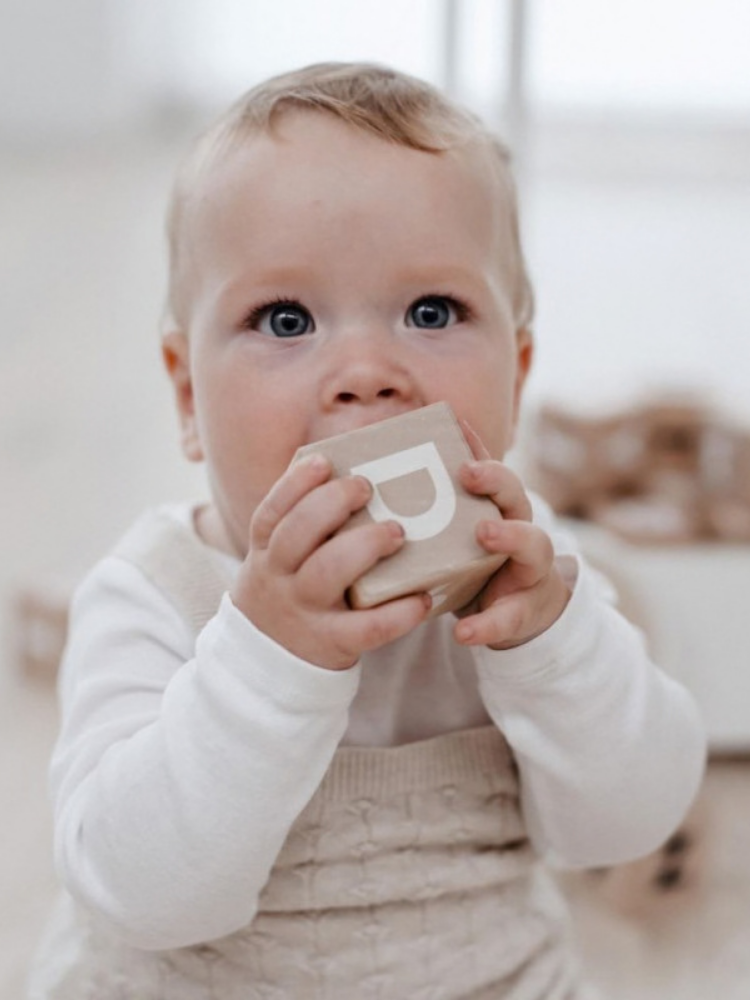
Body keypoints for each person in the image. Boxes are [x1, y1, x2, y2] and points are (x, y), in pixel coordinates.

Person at [29, 62, 706, 999]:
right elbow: (139, 894)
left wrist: (558, 650)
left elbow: (628, 820)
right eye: (285, 318)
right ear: (189, 396)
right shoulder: (153, 593)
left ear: (517, 371)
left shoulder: (530, 576)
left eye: (432, 312)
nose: (366, 372)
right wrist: (270, 658)